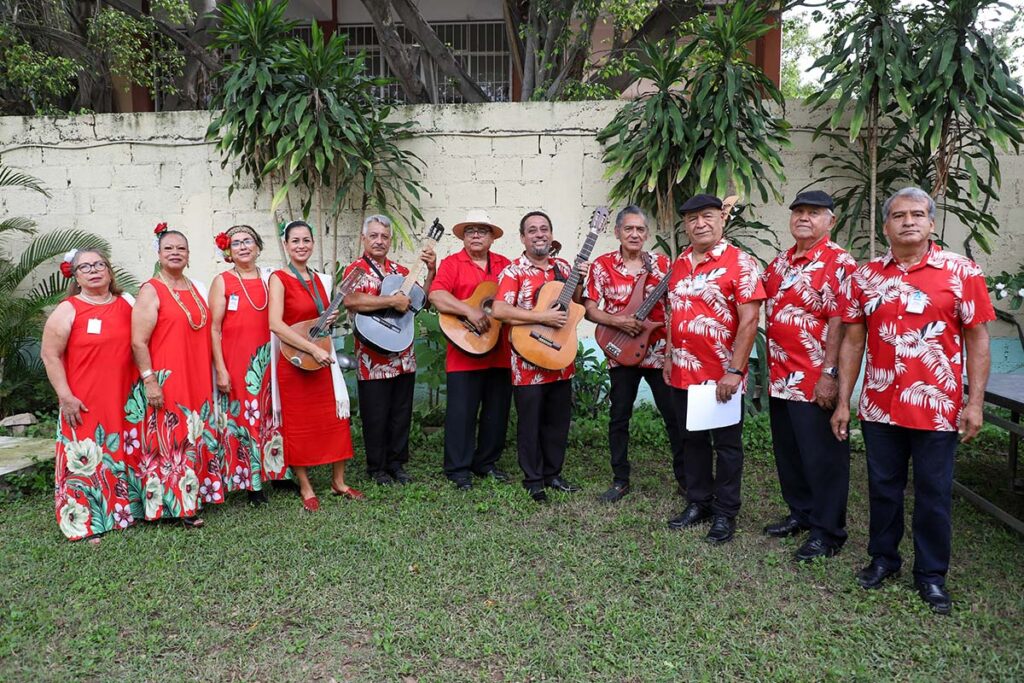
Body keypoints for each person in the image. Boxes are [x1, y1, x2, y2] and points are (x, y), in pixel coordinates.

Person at [832, 187, 994, 614]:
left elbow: (978, 341)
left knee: (934, 492)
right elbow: (852, 342)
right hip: (880, 405)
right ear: (885, 226)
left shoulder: (962, 273)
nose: (908, 221)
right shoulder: (864, 277)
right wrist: (844, 401)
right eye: (899, 215)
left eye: (917, 214)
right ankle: (883, 559)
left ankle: (931, 575)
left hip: (938, 408)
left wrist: (973, 403)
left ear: (932, 222)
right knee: (883, 488)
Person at [761, 191, 858, 562]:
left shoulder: (839, 262)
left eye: (813, 213)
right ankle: (801, 513)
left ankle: (828, 531)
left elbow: (840, 321)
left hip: (815, 377)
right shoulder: (782, 262)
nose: (804, 217)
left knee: (823, 457)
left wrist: (830, 374)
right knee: (790, 453)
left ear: (830, 221)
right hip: (780, 377)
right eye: (799, 212)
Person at [664, 194, 766, 544]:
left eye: (707, 216)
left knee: (726, 446)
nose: (700, 224)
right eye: (692, 219)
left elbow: (750, 319)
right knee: (691, 440)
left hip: (720, 375)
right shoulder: (678, 263)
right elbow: (671, 314)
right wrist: (667, 358)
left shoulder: (741, 263)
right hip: (681, 371)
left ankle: (725, 512)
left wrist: (735, 371)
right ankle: (699, 502)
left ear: (722, 219)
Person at [583, 205, 685, 503]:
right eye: (629, 228)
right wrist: (619, 321)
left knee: (673, 417)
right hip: (620, 351)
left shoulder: (664, 264)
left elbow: (673, 308)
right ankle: (620, 479)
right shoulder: (601, 265)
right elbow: (590, 309)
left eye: (640, 229)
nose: (635, 234)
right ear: (617, 232)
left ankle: (685, 479)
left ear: (647, 234)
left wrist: (670, 349)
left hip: (657, 353)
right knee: (619, 417)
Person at [41, 248, 138, 542]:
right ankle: (85, 521)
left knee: (121, 451)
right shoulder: (69, 309)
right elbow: (50, 355)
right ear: (76, 276)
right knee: (86, 457)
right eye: (86, 267)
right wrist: (65, 396)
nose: (94, 270)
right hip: (84, 399)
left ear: (109, 270)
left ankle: (124, 511)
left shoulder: (127, 303)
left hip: (124, 396)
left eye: (100, 264)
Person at [130, 224, 221, 527]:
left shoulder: (194, 287)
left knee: (193, 435)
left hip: (196, 375)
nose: (175, 253)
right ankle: (173, 505)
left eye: (181, 249)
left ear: (189, 255)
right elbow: (138, 341)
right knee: (172, 439)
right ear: (158, 254)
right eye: (168, 248)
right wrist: (149, 378)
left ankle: (193, 496)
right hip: (168, 378)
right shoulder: (151, 290)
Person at [492, 210, 586, 503]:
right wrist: (540, 315)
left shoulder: (563, 268)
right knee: (530, 422)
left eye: (544, 229)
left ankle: (553, 473)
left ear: (552, 234)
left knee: (557, 421)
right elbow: (499, 310)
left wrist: (580, 281)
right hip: (528, 358)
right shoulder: (513, 272)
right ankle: (533, 479)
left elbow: (576, 305)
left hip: (560, 358)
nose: (539, 234)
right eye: (532, 230)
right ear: (523, 238)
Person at [267, 220, 361, 511]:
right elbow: (275, 324)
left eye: (306, 240)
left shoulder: (322, 280)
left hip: (320, 359)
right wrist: (311, 349)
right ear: (286, 245)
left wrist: (326, 320)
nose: (301, 246)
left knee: (334, 420)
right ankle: (306, 486)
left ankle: (338, 481)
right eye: (295, 241)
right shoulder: (279, 279)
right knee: (299, 426)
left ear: (313, 243)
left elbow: (315, 319)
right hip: (293, 360)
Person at [343, 215, 436, 485]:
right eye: (373, 235)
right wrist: (390, 300)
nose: (379, 241)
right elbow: (351, 300)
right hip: (371, 359)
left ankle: (397, 464)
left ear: (390, 241)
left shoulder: (399, 272)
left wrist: (431, 272)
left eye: (384, 236)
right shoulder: (356, 270)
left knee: (400, 413)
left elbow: (422, 302)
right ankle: (377, 468)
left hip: (403, 356)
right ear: (364, 239)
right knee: (376, 414)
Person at [427, 210, 513, 489]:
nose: (476, 235)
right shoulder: (453, 263)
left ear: (492, 238)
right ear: (463, 237)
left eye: (482, 231)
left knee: (496, 412)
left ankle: (485, 462)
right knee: (461, 413)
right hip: (463, 349)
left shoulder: (506, 265)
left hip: (499, 350)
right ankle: (458, 469)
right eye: (470, 231)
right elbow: (437, 295)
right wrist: (470, 312)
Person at [209, 225, 288, 507]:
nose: (243, 246)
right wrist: (220, 368)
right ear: (228, 251)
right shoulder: (223, 281)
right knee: (246, 417)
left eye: (248, 241)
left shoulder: (271, 279)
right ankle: (251, 482)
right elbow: (214, 329)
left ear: (257, 246)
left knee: (272, 412)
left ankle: (278, 470)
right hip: (238, 361)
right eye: (236, 243)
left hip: (271, 358)